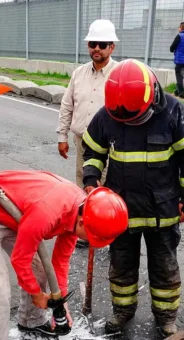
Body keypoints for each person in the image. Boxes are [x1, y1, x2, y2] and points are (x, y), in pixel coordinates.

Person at [0, 170, 128, 340]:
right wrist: (36, 294)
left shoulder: (82, 210)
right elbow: (20, 260)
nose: (91, 243)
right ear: (83, 223)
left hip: (14, 215)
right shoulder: (48, 213)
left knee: (39, 271)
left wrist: (62, 305)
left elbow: (60, 263)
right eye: (92, 237)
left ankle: (32, 322)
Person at [82, 59, 183, 337]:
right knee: (121, 267)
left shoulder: (175, 112)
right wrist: (91, 181)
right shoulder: (107, 114)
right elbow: (92, 151)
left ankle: (166, 318)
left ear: (152, 96)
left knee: (164, 268)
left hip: (163, 210)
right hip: (120, 211)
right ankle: (122, 312)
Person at [56, 19, 119, 247]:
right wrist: (62, 136)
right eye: (93, 43)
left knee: (109, 188)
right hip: (82, 141)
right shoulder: (79, 74)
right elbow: (67, 105)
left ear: (112, 47)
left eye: (103, 44)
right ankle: (88, 228)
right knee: (86, 184)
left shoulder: (119, 74)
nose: (97, 49)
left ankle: (110, 231)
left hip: (112, 144)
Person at [170, 22, 184, 98]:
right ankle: (177, 91)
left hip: (180, 61)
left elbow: (171, 48)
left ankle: (181, 92)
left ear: (181, 28)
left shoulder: (179, 36)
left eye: (179, 27)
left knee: (179, 76)